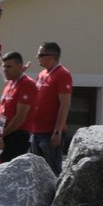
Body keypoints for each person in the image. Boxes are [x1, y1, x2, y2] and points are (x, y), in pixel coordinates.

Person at [28, 41, 73, 176]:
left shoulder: (62, 74)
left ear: (51, 57)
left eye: (40, 54)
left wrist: (57, 131)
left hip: (50, 133)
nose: (37, 57)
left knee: (52, 172)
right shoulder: (42, 74)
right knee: (37, 173)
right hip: (36, 132)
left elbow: (64, 104)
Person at [0, 51, 38, 162]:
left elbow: (20, 117)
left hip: (17, 137)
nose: (5, 70)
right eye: (4, 66)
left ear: (20, 67)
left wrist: (1, 135)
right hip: (4, 135)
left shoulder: (27, 84)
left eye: (9, 66)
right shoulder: (10, 84)